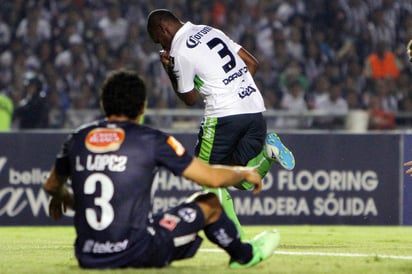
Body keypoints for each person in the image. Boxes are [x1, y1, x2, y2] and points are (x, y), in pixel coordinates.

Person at [43, 69, 280, 269]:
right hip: (138, 250)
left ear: (104, 104)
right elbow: (211, 176)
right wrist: (244, 173)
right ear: (143, 107)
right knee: (209, 203)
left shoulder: (78, 138)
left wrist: (63, 197)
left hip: (88, 255)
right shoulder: (151, 139)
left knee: (150, 218)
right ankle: (244, 255)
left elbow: (52, 185)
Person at [146, 9, 295, 239]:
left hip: (224, 115)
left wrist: (169, 68)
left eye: (160, 40)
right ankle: (268, 152)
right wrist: (234, 91)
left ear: (163, 29)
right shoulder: (210, 30)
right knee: (242, 179)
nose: (163, 46)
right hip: (253, 109)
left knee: (207, 176)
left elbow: (189, 98)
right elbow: (252, 64)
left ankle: (236, 238)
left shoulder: (180, 50)